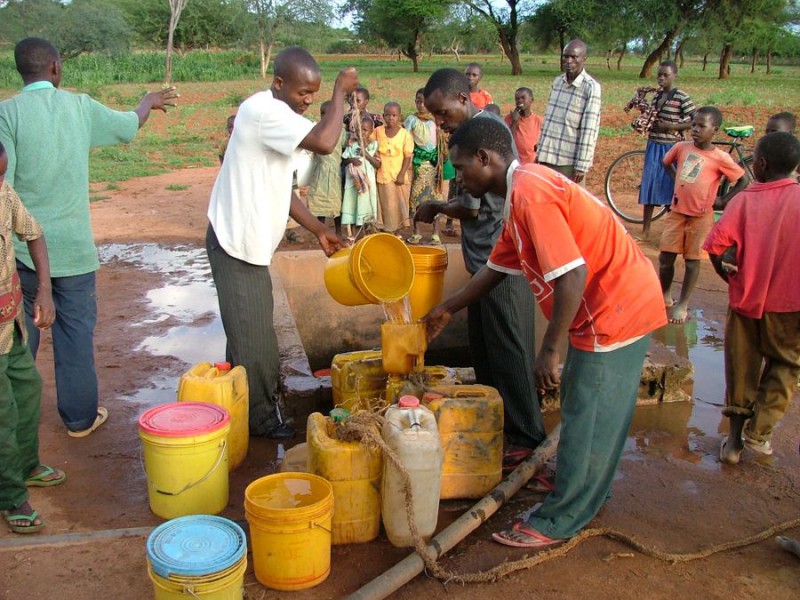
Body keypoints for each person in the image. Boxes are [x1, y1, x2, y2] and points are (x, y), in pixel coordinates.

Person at [423, 117, 667, 548]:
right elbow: (496, 269)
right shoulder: (519, 197)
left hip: (615, 307)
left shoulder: (531, 194)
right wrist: (447, 308)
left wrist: (549, 351)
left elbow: (572, 275)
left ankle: (562, 516)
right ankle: (582, 484)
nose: (458, 179)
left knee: (589, 412)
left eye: (461, 169)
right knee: (582, 404)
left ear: (485, 158)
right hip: (600, 308)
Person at [0, 37, 178, 437]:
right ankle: (79, 419)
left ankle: (8, 424)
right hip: (75, 252)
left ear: (21, 71)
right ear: (56, 68)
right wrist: (147, 101)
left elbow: (2, 188)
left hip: (24, 252)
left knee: (18, 338)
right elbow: (128, 126)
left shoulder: (6, 114)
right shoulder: (79, 107)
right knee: (75, 336)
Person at [206, 47, 358, 439]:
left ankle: (238, 410)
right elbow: (326, 142)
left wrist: (318, 230)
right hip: (237, 247)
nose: (308, 100)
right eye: (303, 93)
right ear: (278, 83)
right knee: (255, 345)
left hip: (251, 248)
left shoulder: (280, 119)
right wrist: (340, 91)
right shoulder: (262, 111)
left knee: (249, 335)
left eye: (315, 93)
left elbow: (283, 190)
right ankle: (259, 425)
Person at [417, 68, 545, 460]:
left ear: (462, 98)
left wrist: (438, 206)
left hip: (501, 264)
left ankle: (527, 437)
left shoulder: (483, 136)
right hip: (484, 263)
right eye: (435, 117)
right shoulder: (470, 135)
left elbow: (471, 209)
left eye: (443, 114)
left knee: (510, 351)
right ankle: (499, 425)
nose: (440, 123)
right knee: (486, 353)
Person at [703, 132, 800, 464]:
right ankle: (759, 435)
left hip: (746, 299)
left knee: (741, 368)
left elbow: (715, 247)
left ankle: (733, 443)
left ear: (760, 164)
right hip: (792, 306)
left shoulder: (743, 200)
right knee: (786, 367)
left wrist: (726, 274)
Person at [0, 140, 60, 534]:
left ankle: (26, 466)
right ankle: (10, 495)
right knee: (2, 414)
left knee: (27, 389)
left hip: (11, 325)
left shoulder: (3, 192)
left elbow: (33, 233)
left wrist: (44, 288)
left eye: (2, 173)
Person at [659, 106, 746, 324]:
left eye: (701, 126)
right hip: (677, 212)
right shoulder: (681, 147)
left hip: (701, 216)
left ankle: (683, 304)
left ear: (714, 130)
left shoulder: (720, 158)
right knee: (666, 258)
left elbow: (743, 181)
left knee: (692, 261)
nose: (695, 129)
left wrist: (723, 200)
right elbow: (666, 163)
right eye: (693, 124)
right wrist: (677, 182)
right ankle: (665, 294)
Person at [637, 61, 696, 240]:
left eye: (666, 75)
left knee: (671, 188)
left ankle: (670, 233)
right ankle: (646, 231)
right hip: (654, 144)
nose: (661, 78)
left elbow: (694, 120)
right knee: (649, 185)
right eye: (659, 75)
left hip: (672, 147)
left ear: (674, 76)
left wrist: (671, 126)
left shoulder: (681, 97)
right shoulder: (656, 96)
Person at [536, 39, 601, 184]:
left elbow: (589, 129)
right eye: (565, 56)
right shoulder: (558, 82)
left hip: (569, 162)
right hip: (547, 157)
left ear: (584, 59)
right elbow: (549, 121)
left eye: (574, 57)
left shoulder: (590, 87)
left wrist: (582, 165)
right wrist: (540, 152)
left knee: (571, 204)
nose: (569, 61)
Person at [405, 89, 443, 245]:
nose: (421, 105)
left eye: (424, 102)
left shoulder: (436, 119)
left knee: (437, 198)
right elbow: (405, 140)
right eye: (418, 101)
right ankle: (417, 232)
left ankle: (436, 233)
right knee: (415, 197)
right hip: (419, 164)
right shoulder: (412, 120)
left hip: (435, 165)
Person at [371, 101, 413, 235]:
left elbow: (407, 156)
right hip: (383, 174)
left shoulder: (405, 134)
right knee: (386, 204)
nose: (391, 118)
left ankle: (397, 231)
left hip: (398, 176)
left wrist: (401, 174)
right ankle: (387, 230)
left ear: (400, 117)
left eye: (394, 115)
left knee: (398, 205)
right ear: (383, 116)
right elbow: (370, 144)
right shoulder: (378, 132)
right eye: (388, 115)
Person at [306, 100, 347, 235]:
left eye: (327, 114)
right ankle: (320, 230)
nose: (324, 117)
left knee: (337, 205)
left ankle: (338, 231)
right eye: (322, 113)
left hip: (335, 172)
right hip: (320, 172)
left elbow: (346, 148)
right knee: (319, 203)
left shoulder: (340, 132)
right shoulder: (316, 130)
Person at [341, 115, 380, 241]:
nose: (361, 133)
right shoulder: (351, 145)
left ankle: (368, 233)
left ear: (371, 131)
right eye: (358, 130)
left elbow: (378, 164)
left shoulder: (374, 145)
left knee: (367, 205)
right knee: (352, 204)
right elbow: (344, 160)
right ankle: (351, 234)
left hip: (367, 185)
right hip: (353, 183)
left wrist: (366, 155)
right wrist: (351, 160)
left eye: (365, 130)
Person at [504, 87, 543, 165]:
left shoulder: (539, 121)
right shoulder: (509, 119)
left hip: (532, 164)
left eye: (523, 98)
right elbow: (507, 142)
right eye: (517, 99)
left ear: (531, 100)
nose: (520, 101)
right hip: (515, 163)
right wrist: (514, 121)